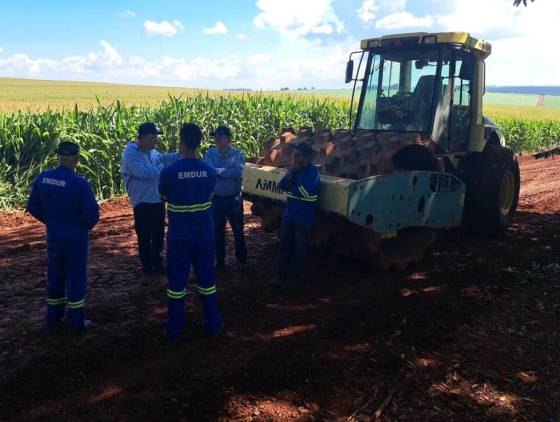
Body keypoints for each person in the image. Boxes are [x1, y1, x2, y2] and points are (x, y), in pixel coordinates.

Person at [27, 142, 100, 333]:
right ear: (76, 159)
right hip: (76, 237)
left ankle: (53, 318)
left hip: (54, 236)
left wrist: (51, 221)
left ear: (58, 156)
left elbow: (33, 207)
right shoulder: (80, 183)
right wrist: (80, 226)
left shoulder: (43, 178)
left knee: (55, 276)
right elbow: (92, 215)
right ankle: (76, 321)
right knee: (75, 277)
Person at [158, 123, 221, 340]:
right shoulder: (210, 171)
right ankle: (213, 324)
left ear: (182, 142)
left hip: (179, 236)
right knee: (207, 281)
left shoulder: (168, 173)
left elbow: (163, 197)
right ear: (198, 143)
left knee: (176, 284)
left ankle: (174, 328)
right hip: (204, 234)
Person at [121, 122, 180, 284]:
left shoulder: (151, 151)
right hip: (142, 203)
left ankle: (157, 263)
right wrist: (164, 169)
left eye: (156, 137)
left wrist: (179, 154)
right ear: (142, 138)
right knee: (145, 236)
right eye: (153, 137)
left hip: (157, 200)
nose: (156, 140)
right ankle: (147, 267)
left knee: (158, 234)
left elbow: (162, 158)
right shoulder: (131, 153)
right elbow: (142, 173)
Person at [272, 142, 320, 288]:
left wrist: (291, 186)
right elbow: (281, 186)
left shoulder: (312, 172)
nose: (293, 158)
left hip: (303, 218)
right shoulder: (294, 170)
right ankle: (281, 275)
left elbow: (304, 192)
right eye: (293, 155)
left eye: (297, 155)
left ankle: (294, 278)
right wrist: (289, 174)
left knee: (299, 249)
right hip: (289, 215)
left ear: (305, 157)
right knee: (285, 246)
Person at [204, 125, 247, 271]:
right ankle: (220, 261)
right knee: (217, 231)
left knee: (238, 231)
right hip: (216, 199)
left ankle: (242, 260)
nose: (216, 140)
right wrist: (226, 172)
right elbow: (209, 171)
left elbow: (238, 172)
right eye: (215, 137)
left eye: (219, 137)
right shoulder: (210, 153)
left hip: (234, 198)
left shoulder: (238, 154)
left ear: (228, 139)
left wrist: (218, 172)